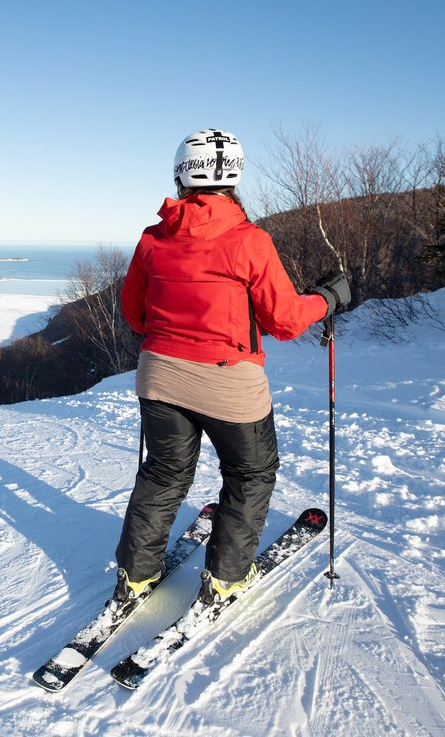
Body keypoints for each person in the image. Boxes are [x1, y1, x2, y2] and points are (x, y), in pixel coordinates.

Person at [113, 129, 349, 605]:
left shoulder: (153, 239)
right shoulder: (249, 240)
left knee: (163, 472)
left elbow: (135, 314)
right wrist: (326, 300)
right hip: (227, 382)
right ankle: (225, 578)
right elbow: (283, 320)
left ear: (181, 176)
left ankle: (135, 576)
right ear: (234, 178)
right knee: (249, 473)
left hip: (159, 375)